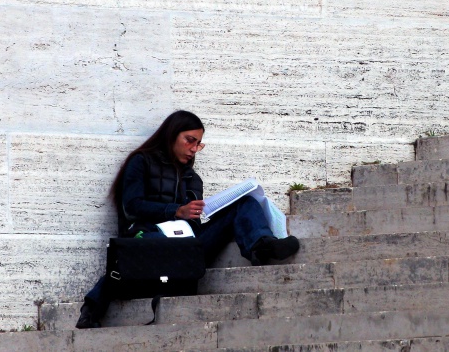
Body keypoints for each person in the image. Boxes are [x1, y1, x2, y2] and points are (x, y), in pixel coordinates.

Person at [76, 110, 300, 328]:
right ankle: (91, 310)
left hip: (187, 246)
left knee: (245, 202)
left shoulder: (192, 178)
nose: (193, 149)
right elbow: (131, 207)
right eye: (190, 141)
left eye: (198, 144)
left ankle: (262, 245)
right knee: (140, 251)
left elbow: (192, 222)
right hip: (147, 237)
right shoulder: (141, 162)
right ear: (172, 134)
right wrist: (176, 211)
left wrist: (195, 216)